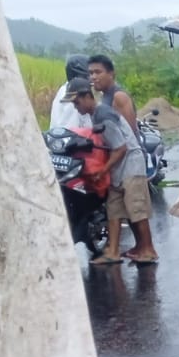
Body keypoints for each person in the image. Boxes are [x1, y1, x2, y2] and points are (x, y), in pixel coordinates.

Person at [64, 77, 156, 266]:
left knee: (136, 209)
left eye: (77, 102)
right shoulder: (95, 115)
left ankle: (148, 250)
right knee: (114, 209)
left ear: (87, 96)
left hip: (130, 165)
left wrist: (102, 170)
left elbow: (121, 148)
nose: (75, 107)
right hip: (117, 168)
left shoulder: (103, 115)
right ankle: (113, 251)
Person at [88, 54, 138, 138]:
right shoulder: (104, 94)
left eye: (98, 72)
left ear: (111, 74)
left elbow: (130, 134)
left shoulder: (119, 97)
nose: (93, 77)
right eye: (91, 73)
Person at [50, 53, 92, 131]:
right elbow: (71, 130)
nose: (93, 78)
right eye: (90, 74)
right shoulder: (74, 97)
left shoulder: (65, 88)